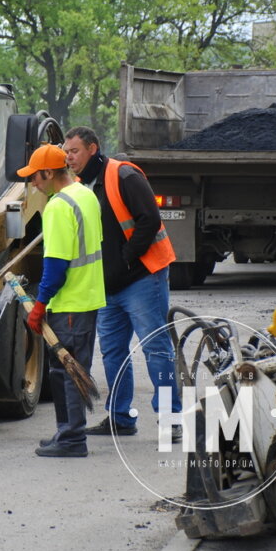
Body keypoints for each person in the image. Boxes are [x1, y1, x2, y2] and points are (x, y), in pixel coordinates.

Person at [62, 126, 182, 441]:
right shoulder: (79, 184)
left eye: (73, 151)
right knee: (114, 353)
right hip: (109, 285)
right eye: (66, 152)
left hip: (143, 277)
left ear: (92, 148)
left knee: (157, 350)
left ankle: (172, 420)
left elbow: (150, 220)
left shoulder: (124, 175)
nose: (69, 157)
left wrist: (127, 258)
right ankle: (120, 418)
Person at [17, 144, 106, 458]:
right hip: (88, 297)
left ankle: (72, 439)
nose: (33, 184)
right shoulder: (85, 195)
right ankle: (65, 432)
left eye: (35, 178)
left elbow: (55, 266)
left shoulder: (57, 207)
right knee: (69, 369)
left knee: (67, 372)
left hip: (69, 302)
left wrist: (39, 304)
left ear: (48, 172)